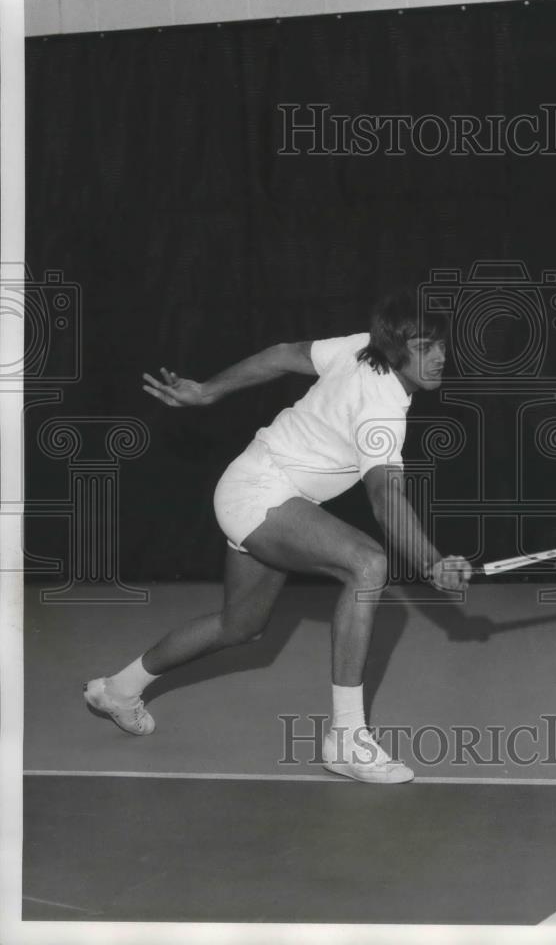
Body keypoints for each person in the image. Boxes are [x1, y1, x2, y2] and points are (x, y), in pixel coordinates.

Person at [84, 291, 473, 784]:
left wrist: (208, 390)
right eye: (425, 346)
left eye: (441, 345)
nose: (440, 357)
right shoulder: (383, 411)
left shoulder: (361, 347)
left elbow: (284, 353)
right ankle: (348, 740)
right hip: (261, 493)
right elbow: (385, 501)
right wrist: (431, 561)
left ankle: (117, 689)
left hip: (261, 486)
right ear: (396, 350)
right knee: (368, 564)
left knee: (240, 625)